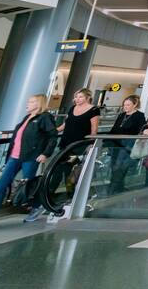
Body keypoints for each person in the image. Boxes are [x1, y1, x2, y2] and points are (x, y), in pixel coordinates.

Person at [0, 94, 57, 234]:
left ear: (39, 104)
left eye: (31, 101)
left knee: (28, 186)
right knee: (0, 186)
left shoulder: (44, 117)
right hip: (14, 157)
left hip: (30, 157)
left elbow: (52, 135)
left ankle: (37, 205)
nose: (27, 104)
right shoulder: (27, 118)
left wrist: (45, 153)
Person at [37, 87, 100, 222]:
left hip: (79, 146)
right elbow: (66, 124)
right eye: (76, 97)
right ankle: (49, 198)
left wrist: (91, 143)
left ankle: (73, 198)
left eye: (81, 97)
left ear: (88, 97)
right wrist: (54, 131)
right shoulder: (72, 109)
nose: (77, 99)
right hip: (65, 144)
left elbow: (94, 128)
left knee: (69, 172)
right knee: (58, 170)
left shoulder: (94, 110)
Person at [107, 95, 147, 193]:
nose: (125, 107)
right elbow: (114, 129)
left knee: (119, 166)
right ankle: (118, 187)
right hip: (115, 144)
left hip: (127, 144)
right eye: (124, 105)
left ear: (135, 105)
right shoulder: (122, 115)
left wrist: (147, 131)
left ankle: (113, 188)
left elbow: (144, 127)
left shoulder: (139, 115)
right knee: (113, 166)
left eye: (128, 105)